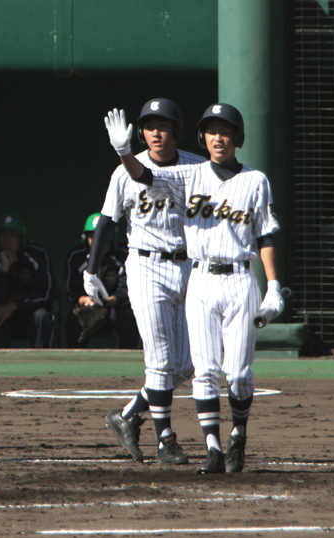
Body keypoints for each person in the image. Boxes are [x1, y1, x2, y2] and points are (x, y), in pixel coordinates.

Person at [104, 103, 284, 474]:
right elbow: (146, 177)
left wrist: (274, 285)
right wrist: (124, 154)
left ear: (238, 138)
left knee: (236, 373)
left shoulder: (255, 180)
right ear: (202, 137)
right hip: (199, 275)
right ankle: (212, 448)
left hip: (239, 277)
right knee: (202, 370)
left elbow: (266, 235)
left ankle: (236, 436)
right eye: (211, 131)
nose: (218, 138)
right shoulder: (190, 175)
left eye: (226, 131)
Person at [85, 99, 205, 464]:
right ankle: (165, 440)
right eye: (149, 125)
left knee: (190, 364)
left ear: (177, 132)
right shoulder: (123, 172)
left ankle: (127, 416)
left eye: (164, 125)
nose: (156, 132)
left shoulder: (197, 168)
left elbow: (154, 179)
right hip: (145, 265)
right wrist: (91, 269)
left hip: (188, 267)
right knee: (160, 358)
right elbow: (107, 221)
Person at [0, 212, 57, 348]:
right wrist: (4, 270)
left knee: (42, 315)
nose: (7, 241)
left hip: (30, 313)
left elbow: (46, 295)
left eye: (12, 236)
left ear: (21, 238)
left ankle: (43, 365)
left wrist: (15, 305)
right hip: (5, 316)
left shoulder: (37, 254)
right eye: (2, 235)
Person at [64, 213, 139, 349]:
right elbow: (71, 291)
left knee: (126, 315)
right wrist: (86, 300)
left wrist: (109, 301)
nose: (97, 240)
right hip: (87, 306)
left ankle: (126, 360)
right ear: (85, 237)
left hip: (115, 306)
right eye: (92, 235)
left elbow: (127, 288)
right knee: (73, 318)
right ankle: (75, 362)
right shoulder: (76, 256)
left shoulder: (123, 254)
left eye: (103, 235)